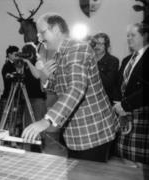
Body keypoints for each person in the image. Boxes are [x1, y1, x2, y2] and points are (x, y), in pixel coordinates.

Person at [22, 13, 119, 162]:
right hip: (77, 133)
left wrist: (46, 121)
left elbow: (76, 88)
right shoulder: (61, 54)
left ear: (55, 29)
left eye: (42, 32)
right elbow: (59, 86)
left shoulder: (78, 48)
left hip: (92, 132)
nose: (40, 38)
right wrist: (45, 78)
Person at [113, 23, 149, 165]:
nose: (128, 38)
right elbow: (118, 83)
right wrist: (117, 104)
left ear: (145, 36)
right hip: (123, 115)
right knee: (123, 159)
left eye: (133, 35)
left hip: (141, 113)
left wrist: (125, 105)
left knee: (139, 163)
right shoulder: (127, 59)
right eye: (127, 35)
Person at [0, 45, 20, 127]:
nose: (17, 56)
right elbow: (9, 78)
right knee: (7, 119)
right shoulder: (7, 66)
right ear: (9, 54)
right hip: (9, 96)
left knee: (13, 119)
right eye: (15, 54)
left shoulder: (15, 65)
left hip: (14, 95)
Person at [93, 33, 120, 104]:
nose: (97, 46)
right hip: (92, 99)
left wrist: (94, 64)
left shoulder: (113, 61)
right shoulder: (88, 59)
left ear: (106, 46)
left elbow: (108, 83)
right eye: (95, 43)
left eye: (100, 44)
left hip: (106, 101)